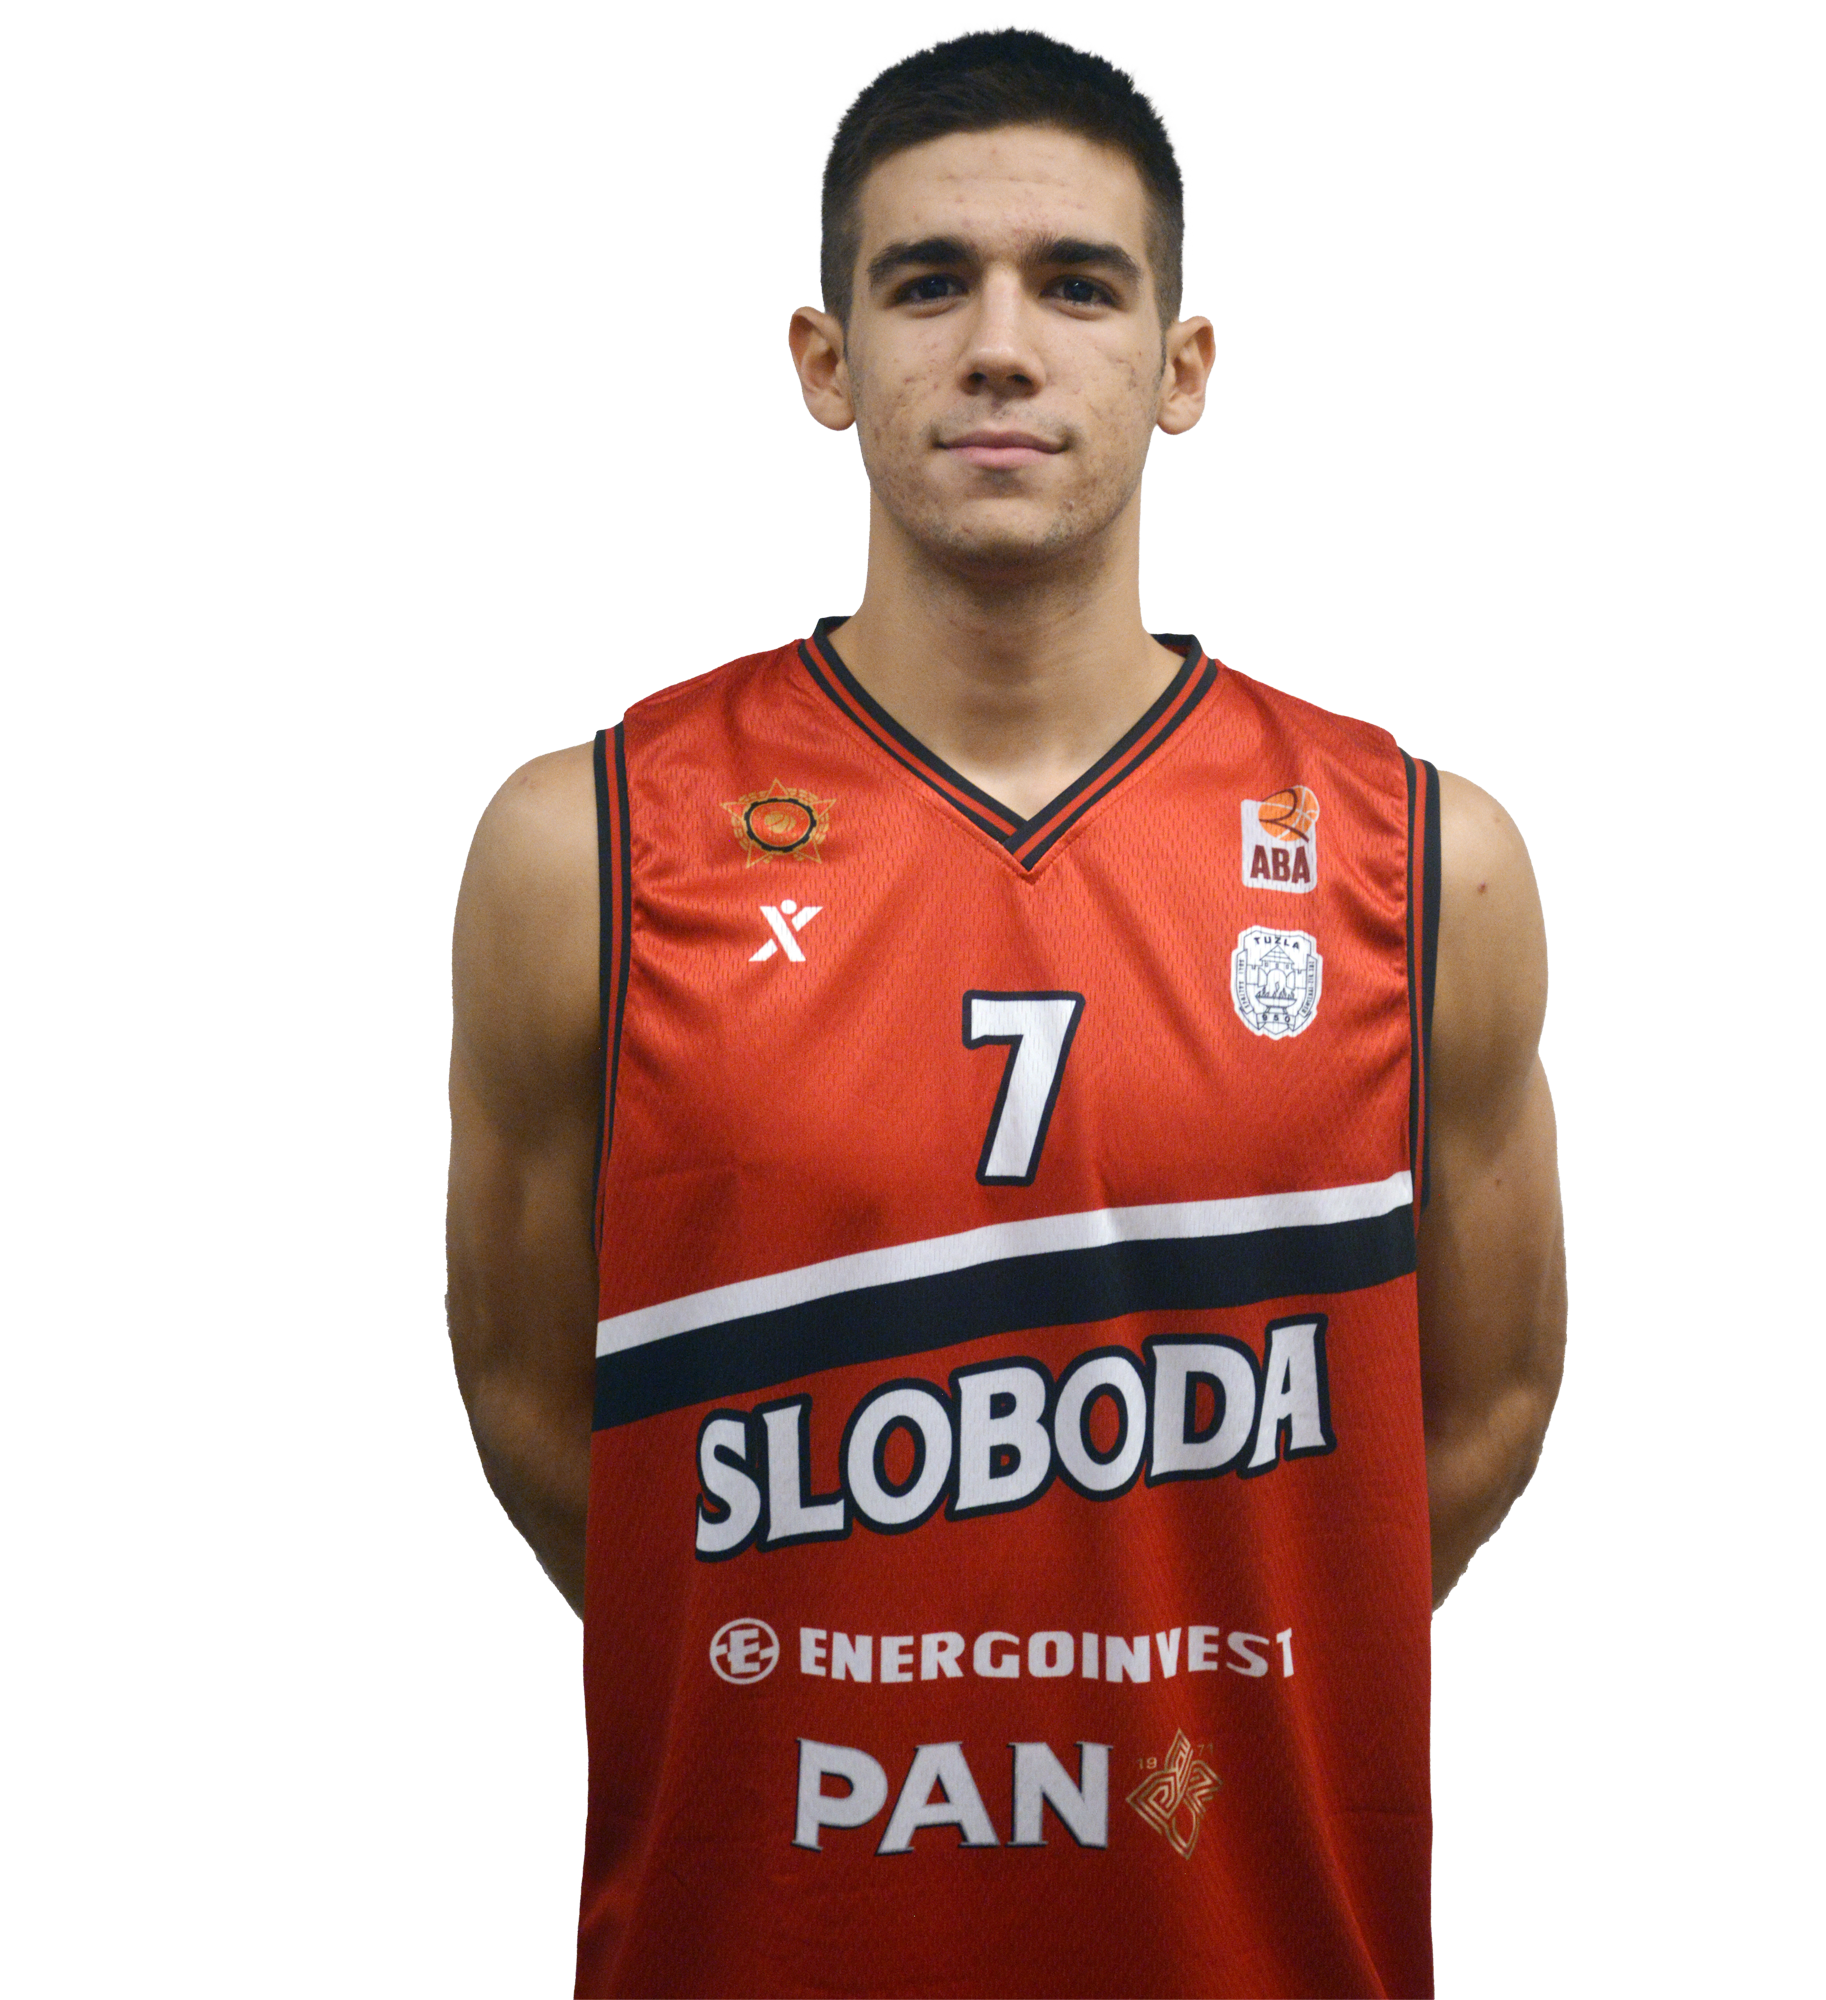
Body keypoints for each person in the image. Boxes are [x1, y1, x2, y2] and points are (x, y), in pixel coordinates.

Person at [447, 25, 1563, 1999]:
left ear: (1180, 366)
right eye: (926, 281)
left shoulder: (1419, 857)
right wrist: (793, 1651)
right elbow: (543, 1406)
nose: (997, 347)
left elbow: (1483, 1404)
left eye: (1076, 284)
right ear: (826, 359)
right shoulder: (588, 846)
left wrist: (1236, 1656)